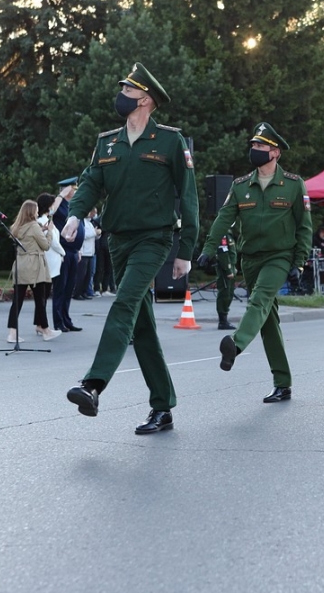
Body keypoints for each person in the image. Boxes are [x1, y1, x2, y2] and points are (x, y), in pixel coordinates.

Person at [64, 62, 199, 435]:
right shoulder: (107, 141)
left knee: (124, 303)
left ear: (146, 100)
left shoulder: (171, 141)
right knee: (141, 328)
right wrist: (75, 215)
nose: (121, 96)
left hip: (153, 240)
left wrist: (185, 249)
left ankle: (93, 385)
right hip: (118, 240)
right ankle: (163, 407)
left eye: (128, 91)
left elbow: (188, 199)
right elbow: (91, 181)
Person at [198, 122, 312, 402]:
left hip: (279, 256)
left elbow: (304, 228)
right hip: (250, 260)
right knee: (268, 320)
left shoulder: (294, 185)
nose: (254, 150)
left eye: (260, 146)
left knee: (259, 301)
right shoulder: (240, 186)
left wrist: (298, 264)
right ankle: (283, 383)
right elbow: (224, 217)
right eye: (253, 145)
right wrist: (208, 249)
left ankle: (235, 345)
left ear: (275, 153)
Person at [5, 200, 60, 342]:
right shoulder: (34, 226)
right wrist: (50, 232)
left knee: (17, 300)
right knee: (39, 300)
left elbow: (28, 239)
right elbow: (46, 246)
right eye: (35, 210)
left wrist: (41, 231)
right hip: (34, 266)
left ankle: (12, 333)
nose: (37, 212)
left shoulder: (17, 227)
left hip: (21, 264)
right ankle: (45, 330)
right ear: (31, 212)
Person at [52, 178, 83, 332]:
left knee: (69, 287)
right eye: (73, 188)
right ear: (67, 189)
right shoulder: (59, 204)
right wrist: (60, 196)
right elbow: (50, 212)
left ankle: (66, 319)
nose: (76, 190)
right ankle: (58, 321)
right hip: (62, 251)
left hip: (73, 251)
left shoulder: (73, 205)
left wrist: (79, 249)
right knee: (60, 287)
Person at [36, 193, 65, 333]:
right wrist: (63, 252)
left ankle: (39, 324)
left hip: (52, 261)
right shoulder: (42, 221)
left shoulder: (47, 219)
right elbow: (53, 241)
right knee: (44, 294)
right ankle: (42, 324)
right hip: (49, 261)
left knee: (45, 294)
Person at [214, 228, 238, 330]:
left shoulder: (228, 234)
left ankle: (224, 319)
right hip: (225, 270)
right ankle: (222, 321)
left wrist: (233, 267)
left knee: (229, 293)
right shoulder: (223, 234)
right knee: (225, 293)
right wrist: (228, 270)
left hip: (230, 268)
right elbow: (223, 253)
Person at [73, 208, 98, 300]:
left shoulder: (90, 223)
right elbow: (83, 234)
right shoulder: (81, 222)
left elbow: (92, 236)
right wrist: (94, 233)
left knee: (88, 274)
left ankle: (84, 291)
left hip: (91, 252)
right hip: (84, 252)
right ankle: (77, 292)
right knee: (81, 275)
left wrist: (97, 234)